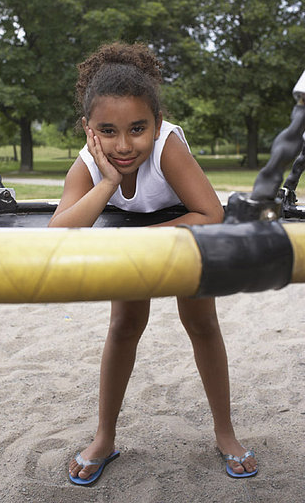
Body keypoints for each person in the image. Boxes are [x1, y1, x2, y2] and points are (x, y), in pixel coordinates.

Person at [48, 42, 258, 485]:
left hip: (182, 229)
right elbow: (58, 234)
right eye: (108, 131)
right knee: (124, 325)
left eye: (138, 129)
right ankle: (104, 437)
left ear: (157, 124)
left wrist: (139, 240)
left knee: (201, 323)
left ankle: (225, 433)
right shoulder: (89, 163)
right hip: (131, 231)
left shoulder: (167, 147)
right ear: (89, 129)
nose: (124, 145)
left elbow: (210, 214)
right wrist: (107, 183)